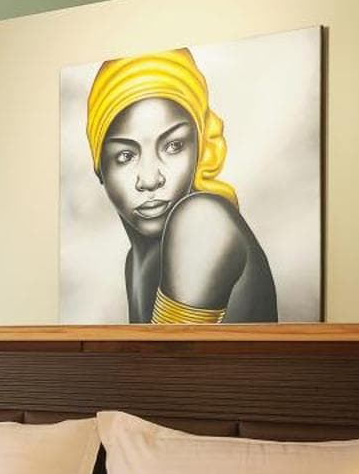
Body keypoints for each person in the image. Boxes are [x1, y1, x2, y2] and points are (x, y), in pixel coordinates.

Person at [84, 48, 277, 323]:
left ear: (200, 148)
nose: (150, 180)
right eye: (125, 155)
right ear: (99, 166)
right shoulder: (135, 261)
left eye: (173, 145)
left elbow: (165, 352)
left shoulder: (202, 220)